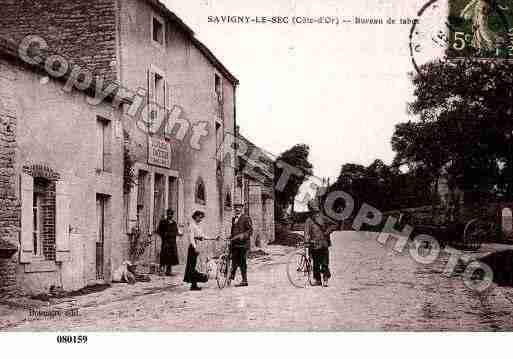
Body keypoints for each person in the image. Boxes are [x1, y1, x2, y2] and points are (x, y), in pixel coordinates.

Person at [183, 210, 218, 291]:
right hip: (193, 247)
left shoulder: (198, 226)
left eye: (201, 218)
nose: (200, 219)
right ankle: (194, 284)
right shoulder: (192, 225)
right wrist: (195, 247)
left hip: (198, 245)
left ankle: (194, 284)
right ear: (195, 216)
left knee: (196, 266)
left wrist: (213, 238)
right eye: (199, 217)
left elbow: (202, 236)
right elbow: (191, 238)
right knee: (192, 266)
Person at [304, 199, 332, 287]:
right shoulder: (308, 220)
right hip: (314, 245)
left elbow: (334, 224)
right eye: (313, 210)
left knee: (324, 263)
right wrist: (307, 242)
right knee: (316, 263)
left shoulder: (323, 218)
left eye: (315, 210)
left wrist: (327, 232)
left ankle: (325, 279)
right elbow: (306, 233)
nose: (315, 213)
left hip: (323, 244)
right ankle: (318, 280)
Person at [229, 202, 253, 287]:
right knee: (234, 260)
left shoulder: (246, 218)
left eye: (239, 207)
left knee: (242, 262)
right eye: (235, 208)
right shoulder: (233, 219)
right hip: (235, 244)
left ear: (242, 209)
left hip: (243, 244)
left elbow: (250, 230)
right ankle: (231, 276)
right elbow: (233, 231)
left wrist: (243, 235)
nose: (237, 209)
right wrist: (230, 237)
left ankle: (244, 280)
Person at [156, 209, 179, 276]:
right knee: (164, 255)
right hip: (165, 241)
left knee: (171, 256)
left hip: (172, 242)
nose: (170, 215)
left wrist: (175, 234)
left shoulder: (174, 223)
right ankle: (161, 270)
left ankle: (169, 271)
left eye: (171, 214)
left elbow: (176, 231)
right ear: (167, 214)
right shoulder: (163, 222)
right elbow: (159, 231)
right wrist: (163, 235)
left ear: (172, 215)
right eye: (168, 214)